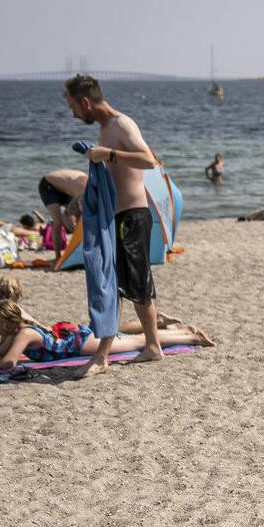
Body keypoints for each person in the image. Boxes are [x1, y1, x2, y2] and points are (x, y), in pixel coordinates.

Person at [64, 73, 165, 372]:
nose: (73, 114)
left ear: (86, 102)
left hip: (133, 216)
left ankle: (127, 351)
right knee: (117, 282)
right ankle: (138, 348)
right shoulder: (104, 129)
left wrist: (108, 154)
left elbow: (148, 160)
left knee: (133, 283)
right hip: (116, 216)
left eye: (73, 106)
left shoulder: (121, 124)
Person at [0, 275, 210, 370]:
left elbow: (9, 361)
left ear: (8, 322)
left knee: (137, 342)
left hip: (81, 343)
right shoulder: (15, 331)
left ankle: (191, 336)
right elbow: (2, 353)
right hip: (75, 336)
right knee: (132, 339)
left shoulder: (24, 333)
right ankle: (183, 332)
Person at [37, 169, 86, 265]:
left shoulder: (89, 190)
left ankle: (80, 252)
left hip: (67, 188)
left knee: (78, 221)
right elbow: (70, 211)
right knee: (57, 221)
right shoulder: (84, 192)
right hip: (49, 186)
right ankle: (58, 257)